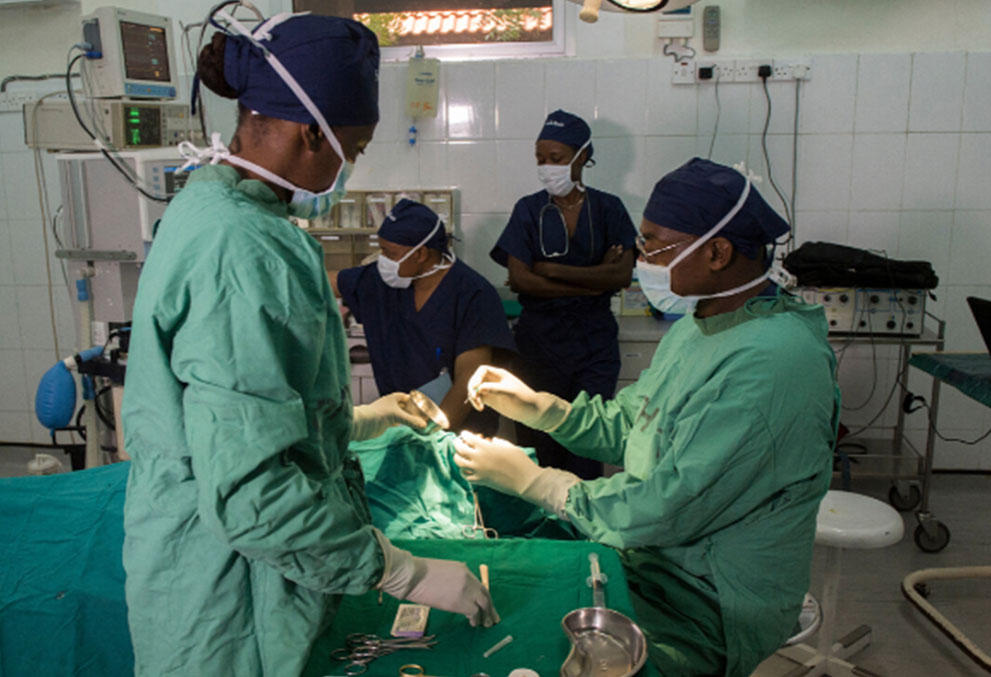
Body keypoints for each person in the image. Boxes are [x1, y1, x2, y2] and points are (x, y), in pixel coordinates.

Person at [121, 13, 497, 677]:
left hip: (232, 569)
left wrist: (346, 422)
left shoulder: (210, 209)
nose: (351, 167)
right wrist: (402, 570)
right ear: (306, 135)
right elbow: (248, 492)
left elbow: (247, 418)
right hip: (231, 602)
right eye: (352, 148)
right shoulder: (240, 252)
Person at [457, 158, 840, 676]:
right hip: (655, 559)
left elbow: (669, 504)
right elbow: (632, 426)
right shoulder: (701, 323)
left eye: (655, 244)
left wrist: (543, 484)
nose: (641, 257)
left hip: (711, 599)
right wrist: (542, 408)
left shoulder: (772, 362)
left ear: (718, 251)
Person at [491, 109, 635, 479]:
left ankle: (583, 527)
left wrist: (553, 270)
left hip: (594, 342)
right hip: (539, 341)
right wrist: (594, 279)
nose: (546, 167)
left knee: (588, 439)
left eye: (555, 158)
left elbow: (621, 275)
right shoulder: (529, 209)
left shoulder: (609, 209)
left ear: (581, 157)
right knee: (539, 440)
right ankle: (544, 524)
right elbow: (521, 280)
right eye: (540, 159)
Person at [335, 199, 516, 433]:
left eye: (389, 253)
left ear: (420, 254)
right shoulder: (379, 281)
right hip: (401, 425)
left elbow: (467, 383)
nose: (382, 260)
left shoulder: (473, 294)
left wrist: (432, 438)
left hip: (460, 433)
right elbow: (320, 282)